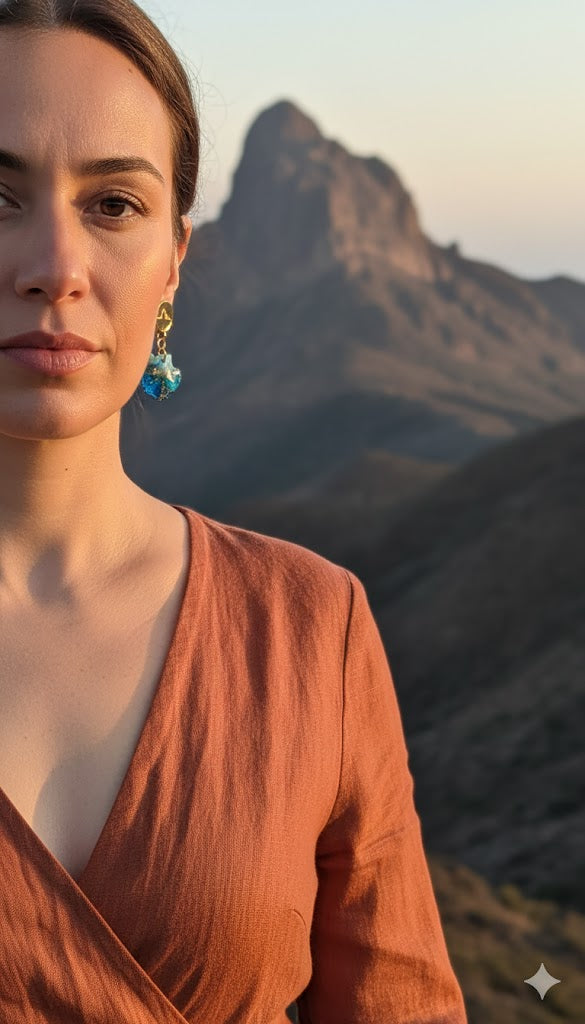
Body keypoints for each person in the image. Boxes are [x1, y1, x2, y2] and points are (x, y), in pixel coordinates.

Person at [0, 1, 468, 1021]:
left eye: (113, 204)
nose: (53, 268)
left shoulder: (312, 630)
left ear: (174, 255)